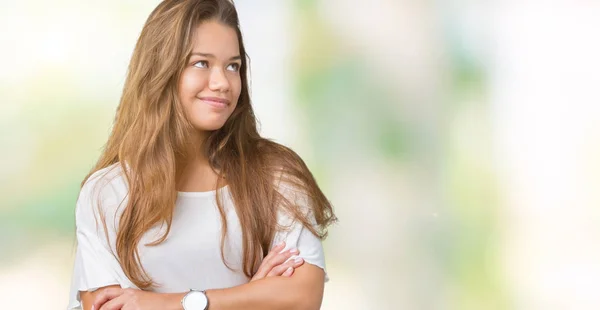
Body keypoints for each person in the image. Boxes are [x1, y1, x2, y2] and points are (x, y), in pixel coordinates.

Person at [66, 0, 336, 309]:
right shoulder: (107, 193)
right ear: (161, 70)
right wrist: (251, 296)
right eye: (201, 63)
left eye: (232, 66)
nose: (222, 83)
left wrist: (169, 303)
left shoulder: (276, 176)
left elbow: (302, 298)